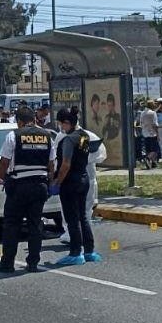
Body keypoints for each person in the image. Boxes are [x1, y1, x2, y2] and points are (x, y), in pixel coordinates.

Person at [0, 105, 55, 273]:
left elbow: (4, 163)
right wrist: (48, 184)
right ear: (34, 119)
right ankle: (33, 262)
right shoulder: (47, 135)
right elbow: (51, 164)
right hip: (40, 185)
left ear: (19, 122)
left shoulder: (13, 135)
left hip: (19, 186)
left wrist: (4, 178)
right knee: (35, 224)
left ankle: (7, 263)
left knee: (11, 224)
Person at [51, 108, 99, 266]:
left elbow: (65, 164)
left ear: (66, 123)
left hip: (70, 182)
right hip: (83, 179)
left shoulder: (68, 140)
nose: (60, 127)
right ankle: (89, 251)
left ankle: (75, 252)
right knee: (83, 217)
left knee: (72, 219)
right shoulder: (83, 136)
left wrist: (57, 181)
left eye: (60, 124)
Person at [139, 100, 160, 168]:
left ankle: (153, 163)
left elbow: (141, 123)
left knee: (149, 149)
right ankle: (147, 158)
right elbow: (155, 124)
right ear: (152, 105)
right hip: (152, 133)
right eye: (154, 104)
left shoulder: (142, 113)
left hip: (145, 133)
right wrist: (157, 134)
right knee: (155, 149)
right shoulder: (153, 113)